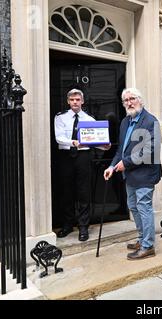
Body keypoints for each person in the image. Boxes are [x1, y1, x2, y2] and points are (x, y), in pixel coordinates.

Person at [103, 88, 162, 260]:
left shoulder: (151, 121)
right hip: (130, 175)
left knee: (144, 208)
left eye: (132, 99)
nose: (129, 102)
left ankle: (148, 246)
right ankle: (142, 238)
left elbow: (150, 150)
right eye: (126, 100)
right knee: (134, 207)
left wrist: (125, 163)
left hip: (145, 174)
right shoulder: (124, 122)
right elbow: (121, 150)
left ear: (140, 100)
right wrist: (112, 166)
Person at [54, 88, 110, 242]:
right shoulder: (60, 117)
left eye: (77, 100)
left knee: (84, 192)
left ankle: (83, 226)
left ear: (82, 101)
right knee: (66, 191)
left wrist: (103, 146)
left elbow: (93, 140)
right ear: (68, 101)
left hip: (83, 157)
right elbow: (59, 138)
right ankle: (67, 225)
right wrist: (73, 142)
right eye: (72, 100)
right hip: (66, 157)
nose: (75, 102)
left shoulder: (90, 119)